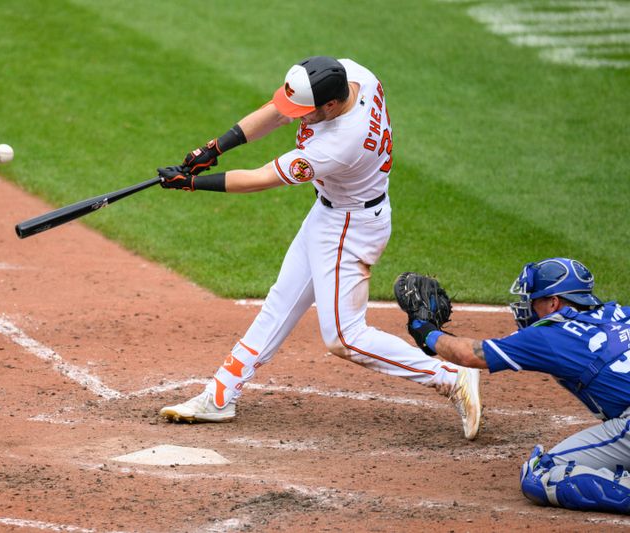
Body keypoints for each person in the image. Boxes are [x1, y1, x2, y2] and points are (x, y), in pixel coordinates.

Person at [156, 56, 482, 440]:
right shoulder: (354, 74)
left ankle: (450, 376)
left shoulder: (341, 143)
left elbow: (262, 178)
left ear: (330, 105)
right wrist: (215, 147)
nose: (297, 118)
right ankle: (220, 394)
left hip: (351, 226)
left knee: (344, 337)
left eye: (305, 112)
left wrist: (193, 184)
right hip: (331, 213)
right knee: (280, 302)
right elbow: (278, 111)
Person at [406, 257, 630, 514]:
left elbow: (469, 355)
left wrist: (425, 330)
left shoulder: (550, 334)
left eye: (533, 300)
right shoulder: (622, 313)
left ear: (554, 303)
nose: (527, 306)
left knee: (539, 474)